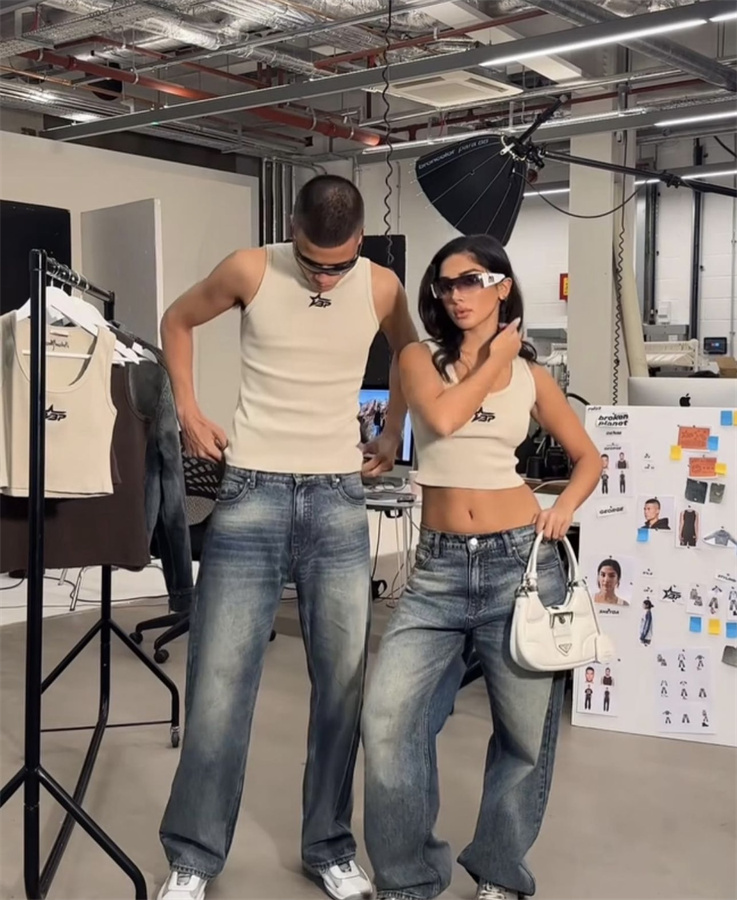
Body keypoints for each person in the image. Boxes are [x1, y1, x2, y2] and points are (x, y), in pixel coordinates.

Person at [156, 175, 417, 900]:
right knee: (218, 685)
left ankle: (328, 847)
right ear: (291, 231)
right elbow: (177, 320)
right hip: (252, 494)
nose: (324, 278)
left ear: (359, 242)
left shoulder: (382, 285)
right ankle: (193, 855)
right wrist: (187, 410)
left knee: (341, 687)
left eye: (338, 265)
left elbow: (409, 352)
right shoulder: (251, 268)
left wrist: (393, 427)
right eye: (311, 262)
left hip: (338, 499)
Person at [361, 234, 601, 900]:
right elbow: (440, 419)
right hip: (437, 572)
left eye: (470, 280)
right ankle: (408, 879)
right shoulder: (417, 358)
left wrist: (562, 508)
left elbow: (589, 457)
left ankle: (499, 871)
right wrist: (493, 356)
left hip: (519, 567)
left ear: (502, 286)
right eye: (445, 284)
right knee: (387, 720)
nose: (456, 295)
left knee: (523, 738)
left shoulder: (532, 377)